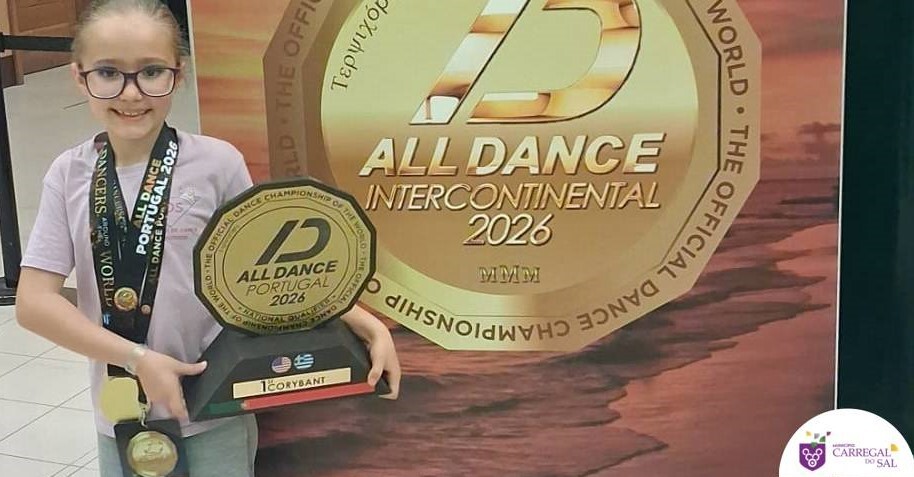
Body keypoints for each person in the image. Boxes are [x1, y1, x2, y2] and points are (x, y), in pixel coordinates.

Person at [14, 1, 401, 476]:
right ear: (79, 77)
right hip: (123, 414)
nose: (132, 93)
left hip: (217, 404)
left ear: (178, 74)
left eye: (151, 72)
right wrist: (137, 358)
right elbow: (33, 303)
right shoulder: (69, 175)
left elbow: (273, 275)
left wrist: (365, 323)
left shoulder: (218, 164)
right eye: (109, 73)